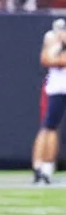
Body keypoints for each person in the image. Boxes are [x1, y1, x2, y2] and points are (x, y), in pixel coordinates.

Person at [32, 18, 66, 184]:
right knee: (49, 127)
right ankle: (42, 167)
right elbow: (47, 59)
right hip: (58, 88)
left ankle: (46, 167)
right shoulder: (53, 39)